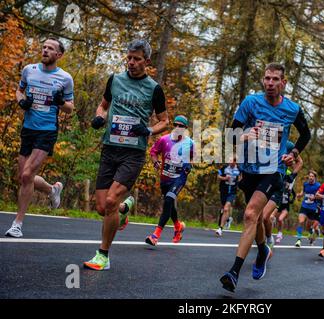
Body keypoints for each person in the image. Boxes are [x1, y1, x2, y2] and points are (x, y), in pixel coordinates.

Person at [219, 63, 310, 292]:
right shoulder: (251, 103)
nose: (270, 83)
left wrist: (293, 154)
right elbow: (231, 135)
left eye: (275, 79)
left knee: (250, 214)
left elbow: (306, 134)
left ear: (283, 83)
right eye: (267, 79)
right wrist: (244, 135)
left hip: (274, 171)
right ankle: (263, 251)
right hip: (250, 169)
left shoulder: (292, 109)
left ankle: (234, 272)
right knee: (257, 219)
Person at [84, 39, 169, 270]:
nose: (131, 62)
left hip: (133, 153)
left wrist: (149, 130)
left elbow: (164, 121)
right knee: (103, 208)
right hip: (110, 148)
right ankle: (124, 209)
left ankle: (103, 255)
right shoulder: (115, 80)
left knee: (111, 200)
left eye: (137, 59)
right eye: (129, 57)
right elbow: (103, 105)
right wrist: (100, 117)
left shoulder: (154, 89)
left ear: (147, 61)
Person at [5, 38, 74, 238]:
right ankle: (52, 189)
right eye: (43, 47)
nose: (45, 50)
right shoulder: (29, 70)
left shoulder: (65, 78)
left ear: (58, 55)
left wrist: (61, 102)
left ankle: (17, 224)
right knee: (23, 177)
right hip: (28, 128)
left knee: (27, 175)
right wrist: (22, 102)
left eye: (50, 48)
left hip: (47, 130)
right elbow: (19, 90)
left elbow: (70, 108)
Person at [145, 115, 195, 246]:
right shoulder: (164, 139)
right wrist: (155, 162)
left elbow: (193, 157)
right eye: (176, 125)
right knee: (170, 204)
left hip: (179, 179)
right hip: (165, 178)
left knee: (168, 200)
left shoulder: (190, 143)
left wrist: (189, 165)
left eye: (181, 126)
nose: (178, 128)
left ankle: (155, 235)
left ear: (185, 128)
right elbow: (153, 152)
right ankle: (178, 227)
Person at [262, 141, 301, 250]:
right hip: (262, 182)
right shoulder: (264, 141)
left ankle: (269, 238)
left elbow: (300, 162)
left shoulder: (288, 145)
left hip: (277, 188)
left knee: (267, 217)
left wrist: (292, 176)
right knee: (255, 216)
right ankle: (262, 241)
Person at [295, 170, 321, 247]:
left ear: (315, 178)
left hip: (313, 208)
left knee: (308, 226)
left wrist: (315, 197)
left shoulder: (318, 186)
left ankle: (313, 231)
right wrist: (299, 195)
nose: (310, 178)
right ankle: (298, 240)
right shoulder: (305, 184)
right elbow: (303, 193)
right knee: (301, 221)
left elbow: (320, 196)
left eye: (312, 176)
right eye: (309, 176)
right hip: (304, 206)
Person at [216, 157, 241, 236]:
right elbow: (218, 176)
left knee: (226, 208)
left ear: (235, 162)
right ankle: (228, 219)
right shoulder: (225, 168)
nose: (229, 162)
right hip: (224, 190)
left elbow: (241, 177)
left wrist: (239, 181)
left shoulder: (239, 169)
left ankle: (220, 228)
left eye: (231, 160)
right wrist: (225, 178)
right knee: (223, 208)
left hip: (232, 192)